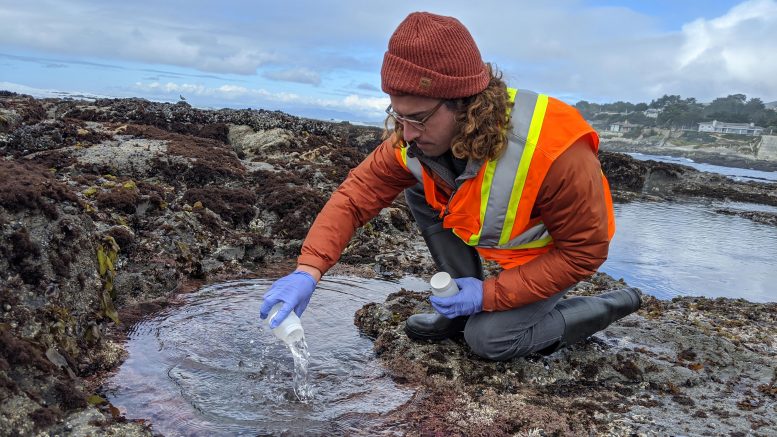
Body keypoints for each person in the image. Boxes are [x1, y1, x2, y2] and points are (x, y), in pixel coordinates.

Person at [260, 11, 641, 361]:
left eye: (419, 118)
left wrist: (490, 296)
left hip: (551, 257)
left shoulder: (555, 151)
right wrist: (307, 270)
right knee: (418, 185)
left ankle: (614, 303)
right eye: (398, 115)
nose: (406, 133)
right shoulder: (412, 139)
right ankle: (457, 301)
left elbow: (584, 253)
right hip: (500, 249)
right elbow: (354, 197)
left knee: (489, 340)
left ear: (464, 104)